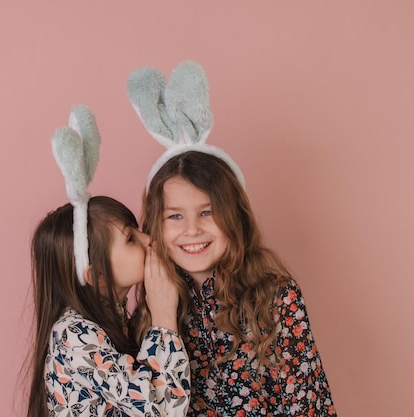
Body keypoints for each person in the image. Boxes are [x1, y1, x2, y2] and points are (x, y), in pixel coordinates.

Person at [127, 61, 337, 416]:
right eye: (175, 216)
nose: (192, 229)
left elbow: (308, 405)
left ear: (234, 216)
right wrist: (163, 318)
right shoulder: (150, 316)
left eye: (207, 212)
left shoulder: (276, 299)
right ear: (155, 227)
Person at [25, 105, 190, 417]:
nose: (148, 240)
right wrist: (165, 317)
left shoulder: (107, 322)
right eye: (130, 238)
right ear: (98, 275)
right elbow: (164, 412)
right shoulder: (75, 336)